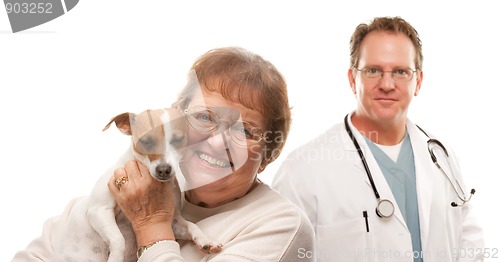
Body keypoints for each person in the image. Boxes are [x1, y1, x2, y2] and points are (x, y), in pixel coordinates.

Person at [12, 47, 315, 261]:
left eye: (245, 131)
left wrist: (152, 225)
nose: (216, 141)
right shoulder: (110, 196)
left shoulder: (281, 226)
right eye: (205, 118)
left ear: (269, 154)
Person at [272, 16, 484, 262]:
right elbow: (282, 254)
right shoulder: (303, 170)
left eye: (401, 72)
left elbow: (470, 243)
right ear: (353, 79)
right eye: (373, 70)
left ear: (418, 82)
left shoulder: (442, 157)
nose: (387, 84)